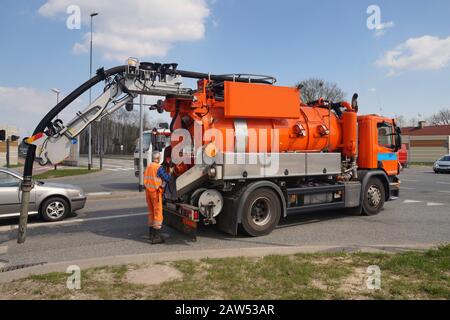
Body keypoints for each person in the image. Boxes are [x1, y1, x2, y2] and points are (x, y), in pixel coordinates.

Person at [144, 151, 171, 244]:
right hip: (156, 193)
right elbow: (167, 178)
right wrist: (170, 172)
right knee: (158, 214)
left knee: (151, 212)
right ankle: (156, 237)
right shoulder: (158, 167)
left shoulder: (148, 166)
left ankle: (151, 234)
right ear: (158, 159)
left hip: (148, 192)